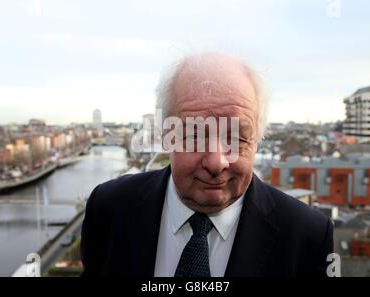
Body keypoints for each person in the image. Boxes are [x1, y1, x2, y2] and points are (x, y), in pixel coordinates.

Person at [81, 52, 334, 277]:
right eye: (194, 135)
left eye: (235, 137)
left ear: (258, 139)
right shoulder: (108, 209)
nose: (216, 162)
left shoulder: (308, 236)